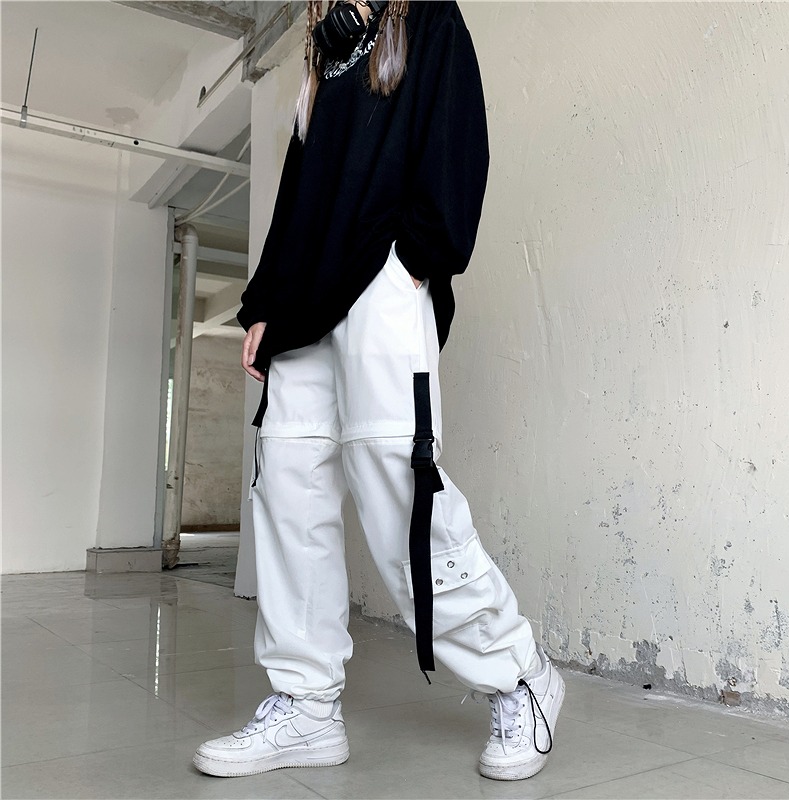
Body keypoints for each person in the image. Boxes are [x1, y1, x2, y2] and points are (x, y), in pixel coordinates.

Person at [193, 0, 565, 782]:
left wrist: (416, 260)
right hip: (304, 304)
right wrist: (263, 302)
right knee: (287, 490)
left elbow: (459, 143)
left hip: (382, 283)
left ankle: (520, 676)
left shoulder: (428, 18)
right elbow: (298, 197)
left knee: (399, 490)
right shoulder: (323, 55)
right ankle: (306, 707)